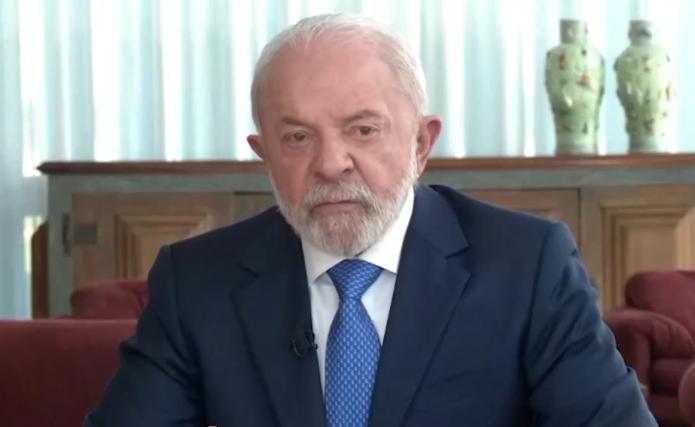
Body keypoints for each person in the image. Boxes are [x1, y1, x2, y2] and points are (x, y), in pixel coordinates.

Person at [85, 13, 657, 427]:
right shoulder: (197, 283)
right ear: (264, 154)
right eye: (297, 137)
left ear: (421, 144)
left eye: (362, 130)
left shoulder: (527, 267)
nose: (331, 163)